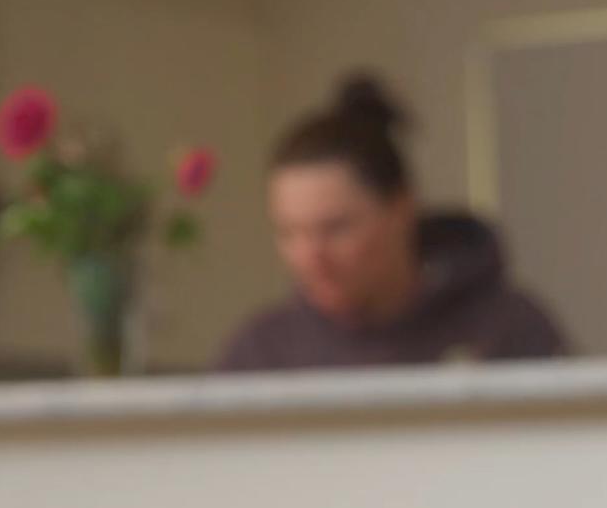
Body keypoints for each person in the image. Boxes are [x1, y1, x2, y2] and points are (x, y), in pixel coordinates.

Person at [217, 75, 569, 371]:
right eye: (289, 232)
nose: (311, 257)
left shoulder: (507, 331)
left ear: (401, 209)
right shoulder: (262, 354)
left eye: (336, 228)